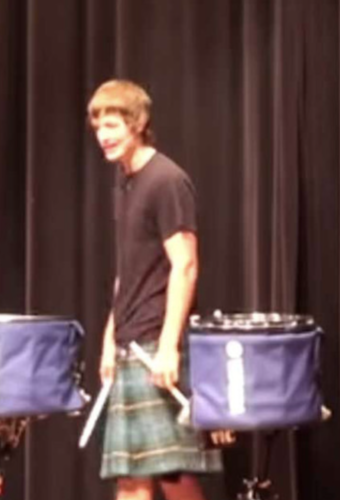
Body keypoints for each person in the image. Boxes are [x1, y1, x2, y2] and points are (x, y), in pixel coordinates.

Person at [89, 79, 222, 500]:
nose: (103, 135)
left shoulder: (166, 180)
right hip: (131, 343)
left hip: (156, 343)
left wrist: (168, 347)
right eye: (98, 127)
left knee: (172, 474)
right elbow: (129, 270)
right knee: (133, 477)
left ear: (138, 123)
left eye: (112, 125)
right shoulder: (125, 181)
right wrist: (110, 338)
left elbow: (185, 265)